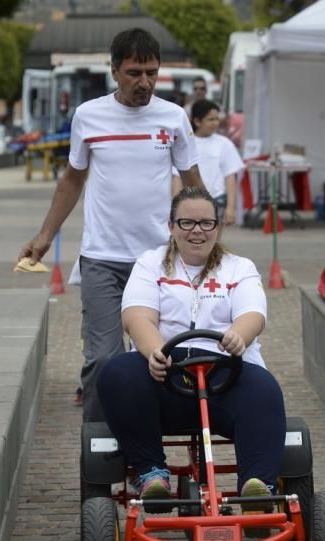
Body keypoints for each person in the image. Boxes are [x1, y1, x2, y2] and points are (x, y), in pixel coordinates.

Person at [17, 28, 205, 422]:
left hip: (158, 261)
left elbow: (192, 181)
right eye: (135, 72)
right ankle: (102, 457)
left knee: (159, 358)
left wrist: (210, 235)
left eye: (152, 72)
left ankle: (144, 452)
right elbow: (72, 179)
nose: (145, 82)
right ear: (115, 70)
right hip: (102, 258)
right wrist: (45, 235)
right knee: (103, 361)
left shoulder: (173, 118)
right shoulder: (89, 115)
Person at [97, 187, 286, 509]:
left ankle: (258, 487)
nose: (197, 230)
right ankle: (151, 474)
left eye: (206, 223)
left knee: (265, 390)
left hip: (225, 374)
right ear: (171, 226)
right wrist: (156, 351)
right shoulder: (150, 264)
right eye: (186, 223)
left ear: (218, 227)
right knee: (117, 374)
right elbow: (137, 316)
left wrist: (239, 335)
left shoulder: (238, 267)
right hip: (164, 375)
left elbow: (252, 313)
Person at [174, 99, 244, 225]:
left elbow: (230, 177)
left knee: (213, 242)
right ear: (197, 121)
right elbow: (177, 177)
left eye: (217, 119)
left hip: (217, 199)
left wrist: (231, 208)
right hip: (191, 201)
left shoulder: (225, 144)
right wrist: (175, 206)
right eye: (210, 119)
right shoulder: (186, 143)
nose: (215, 123)